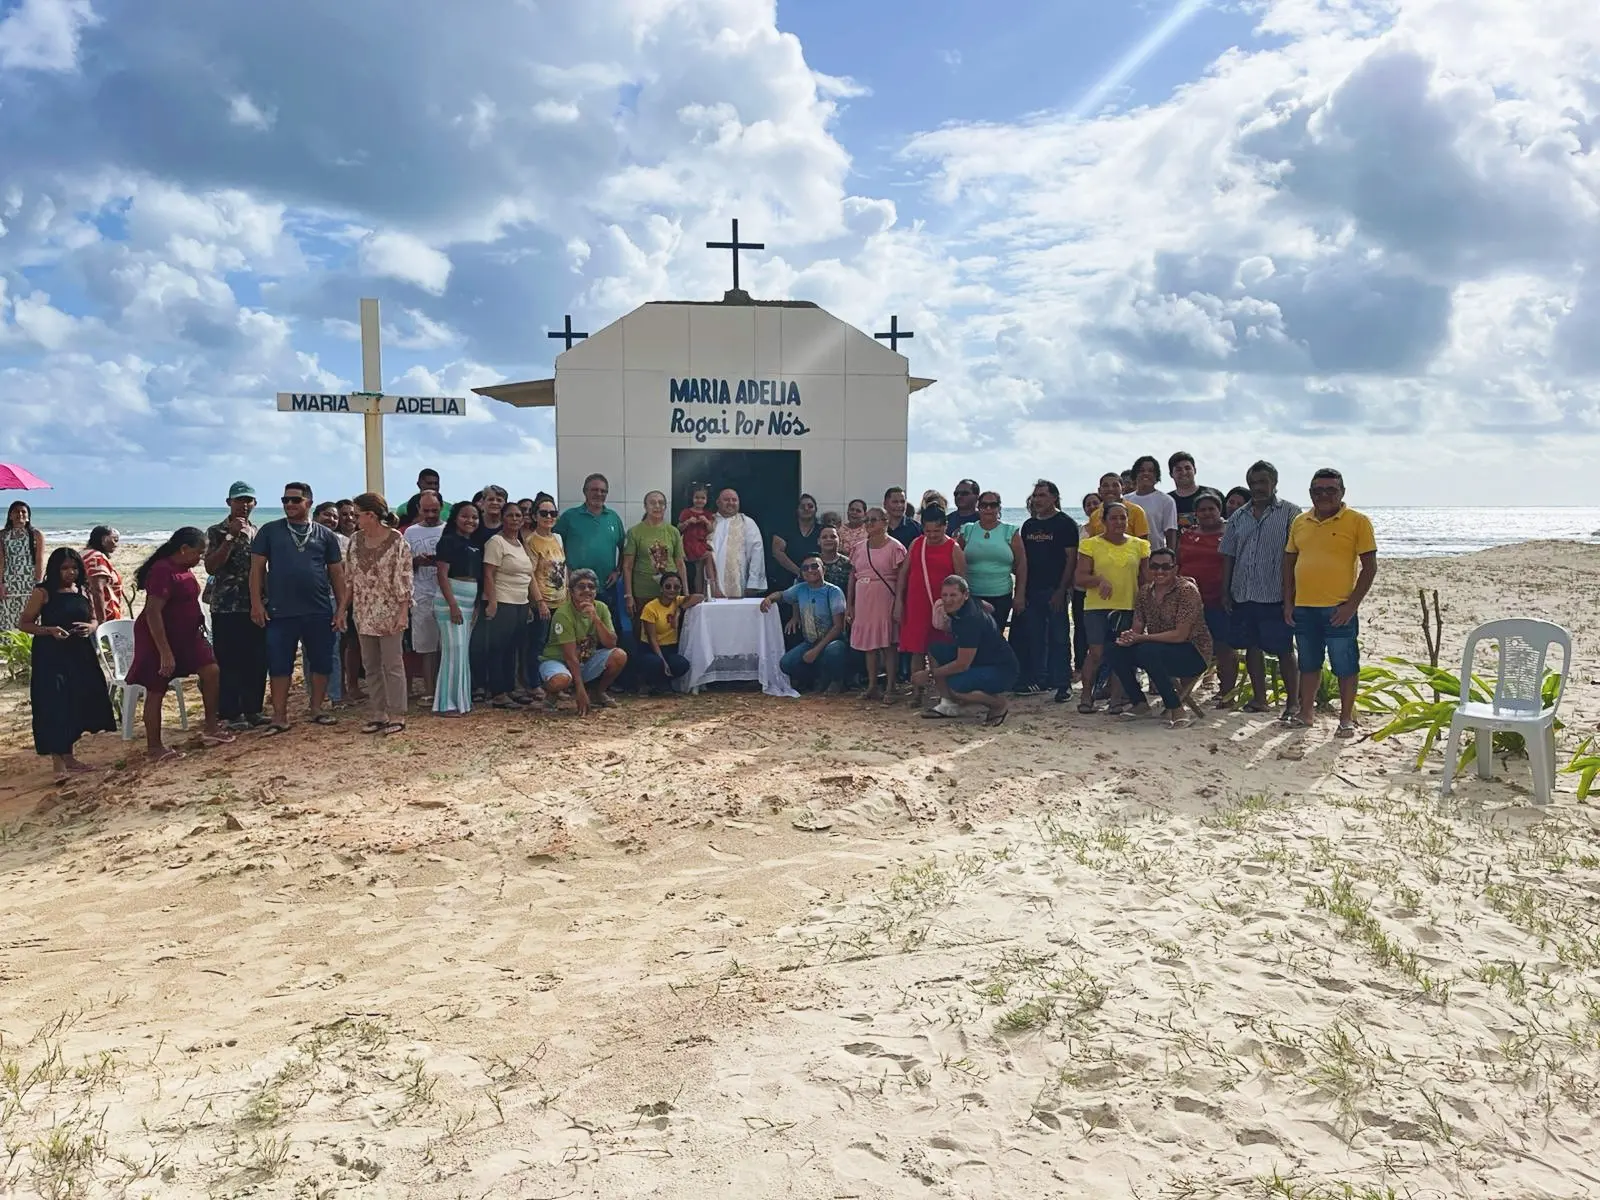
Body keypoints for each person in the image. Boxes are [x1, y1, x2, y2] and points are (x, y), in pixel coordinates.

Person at [1284, 469, 1378, 738]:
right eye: (1317, 490)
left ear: (1342, 492)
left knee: (1345, 666)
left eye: (1330, 490)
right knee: (1309, 664)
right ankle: (1306, 714)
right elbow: (1289, 562)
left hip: (1339, 609)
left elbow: (1369, 568)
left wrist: (1351, 606)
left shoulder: (1358, 521)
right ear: (1310, 493)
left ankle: (1346, 719)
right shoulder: (1300, 522)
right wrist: (1288, 603)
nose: (1323, 495)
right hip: (1304, 607)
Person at [249, 481, 348, 735]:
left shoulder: (325, 535)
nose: (289, 505)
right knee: (280, 664)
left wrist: (340, 609)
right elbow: (257, 570)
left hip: (318, 609)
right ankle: (280, 716)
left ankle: (317, 709)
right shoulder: (270, 531)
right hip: (281, 611)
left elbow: (337, 574)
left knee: (322, 661)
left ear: (309, 503)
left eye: (295, 500)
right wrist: (257, 604)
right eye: (285, 500)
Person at [125, 528, 232, 760]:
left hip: (188, 635)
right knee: (157, 688)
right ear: (183, 549)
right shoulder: (162, 570)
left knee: (211, 670)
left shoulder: (184, 569)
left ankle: (211, 726)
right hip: (159, 637)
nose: (200, 558)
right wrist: (165, 652)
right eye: (198, 553)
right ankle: (154, 747)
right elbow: (153, 612)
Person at [19, 548, 116, 779]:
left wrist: (91, 627)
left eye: (73, 568)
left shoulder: (82, 589)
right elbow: (25, 623)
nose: (70, 573)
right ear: (55, 569)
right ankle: (58, 764)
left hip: (79, 653)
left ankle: (70, 757)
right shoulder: (43, 593)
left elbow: (95, 618)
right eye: (64, 568)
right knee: (54, 704)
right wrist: (49, 630)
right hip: (50, 655)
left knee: (77, 702)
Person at [1220, 460, 1301, 721]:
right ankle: (1259, 699)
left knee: (1284, 649)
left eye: (1263, 482)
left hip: (1275, 593)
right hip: (1243, 592)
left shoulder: (1290, 513)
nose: (1258, 488)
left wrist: (1292, 595)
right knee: (1251, 647)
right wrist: (1225, 591)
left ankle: (1293, 702)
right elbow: (1229, 555)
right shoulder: (1238, 516)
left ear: (1274, 483)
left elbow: (1297, 555)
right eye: (1253, 483)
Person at [1110, 547, 1213, 725]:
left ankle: (1177, 710)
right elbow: (1138, 628)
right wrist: (1128, 638)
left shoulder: (1186, 591)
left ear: (1175, 569)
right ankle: (1139, 703)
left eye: (1166, 567)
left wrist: (1141, 639)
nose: (1160, 571)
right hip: (1159, 649)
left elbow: (1180, 636)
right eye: (1155, 567)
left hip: (1193, 653)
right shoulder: (1144, 592)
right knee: (1115, 650)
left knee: (1148, 651)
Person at [344, 494, 414, 735]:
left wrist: (403, 612)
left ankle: (397, 713)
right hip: (363, 611)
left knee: (392, 663)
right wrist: (342, 609)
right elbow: (350, 580)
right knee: (371, 664)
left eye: (357, 514)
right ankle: (378, 712)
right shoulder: (355, 541)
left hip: (390, 610)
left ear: (370, 515)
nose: (354, 518)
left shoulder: (397, 541)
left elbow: (405, 579)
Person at [1075, 502, 1151, 714]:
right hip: (1096, 606)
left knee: (1121, 653)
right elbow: (1079, 578)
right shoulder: (1090, 545)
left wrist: (1147, 605)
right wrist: (1099, 580)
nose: (1119, 522)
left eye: (1122, 518)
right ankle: (1086, 695)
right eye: (1114, 518)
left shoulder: (1140, 545)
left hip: (1128, 606)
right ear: (1103, 521)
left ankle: (1117, 698)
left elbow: (1145, 578)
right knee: (1096, 653)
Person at [205, 482, 267, 730]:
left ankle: (253, 709)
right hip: (226, 606)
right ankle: (231, 712)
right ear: (229, 502)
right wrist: (230, 536)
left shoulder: (258, 532)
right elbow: (211, 566)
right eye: (239, 500)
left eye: (248, 500)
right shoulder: (216, 531)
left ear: (255, 504)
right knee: (230, 661)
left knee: (257, 660)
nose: (244, 505)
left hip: (255, 604)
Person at [915, 576, 1017, 726]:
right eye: (945, 595)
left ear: (965, 595)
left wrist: (929, 674)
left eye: (953, 595)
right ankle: (948, 704)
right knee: (935, 649)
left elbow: (962, 664)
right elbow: (989, 607)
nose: (948, 600)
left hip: (1002, 669)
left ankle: (998, 704)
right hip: (982, 658)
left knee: (957, 686)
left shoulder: (969, 620)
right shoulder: (968, 604)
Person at [1012, 480, 1078, 701]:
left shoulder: (1066, 524)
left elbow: (1071, 560)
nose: (1037, 500)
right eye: (1035, 496)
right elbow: (1023, 561)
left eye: (1042, 495)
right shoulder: (1029, 526)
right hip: (1032, 590)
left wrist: (1062, 590)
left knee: (1059, 637)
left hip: (1055, 589)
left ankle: (1063, 684)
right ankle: (1040, 679)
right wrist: (1020, 591)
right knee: (1036, 637)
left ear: (1054, 497)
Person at [895, 506, 966, 708]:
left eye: (937, 531)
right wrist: (899, 601)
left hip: (943, 608)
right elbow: (904, 574)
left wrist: (957, 609)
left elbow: (962, 581)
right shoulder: (917, 544)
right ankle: (917, 692)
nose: (933, 535)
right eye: (928, 531)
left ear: (945, 527)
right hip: (917, 604)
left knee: (938, 651)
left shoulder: (954, 548)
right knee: (916, 650)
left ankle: (943, 693)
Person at [1179, 491, 1238, 704]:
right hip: (1189, 600)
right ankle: (1186, 693)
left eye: (1211, 508)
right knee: (1188, 645)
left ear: (1219, 510)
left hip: (1219, 599)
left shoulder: (1231, 533)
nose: (1207, 513)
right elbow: (1178, 563)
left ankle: (1227, 692)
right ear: (1196, 513)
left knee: (1223, 647)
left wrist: (1228, 594)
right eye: (1202, 509)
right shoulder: (1186, 534)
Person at [540, 568, 626, 714]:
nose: (587, 590)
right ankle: (550, 696)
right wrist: (580, 690)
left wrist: (596, 619)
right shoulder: (563, 614)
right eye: (581, 587)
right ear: (571, 592)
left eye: (591, 587)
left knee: (619, 655)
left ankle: (598, 693)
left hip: (584, 660)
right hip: (559, 660)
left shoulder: (601, 608)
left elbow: (611, 643)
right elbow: (570, 656)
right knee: (561, 679)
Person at [765, 556, 851, 693]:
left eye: (814, 566)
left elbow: (838, 627)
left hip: (832, 641)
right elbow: (781, 595)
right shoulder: (800, 589)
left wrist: (815, 651)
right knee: (786, 664)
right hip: (810, 642)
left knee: (834, 651)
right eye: (805, 568)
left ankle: (837, 681)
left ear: (824, 569)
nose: (810, 570)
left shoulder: (834, 592)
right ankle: (817, 679)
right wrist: (769, 599)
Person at [846, 507, 905, 701]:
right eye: (867, 520)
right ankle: (872, 685)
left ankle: (891, 686)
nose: (869, 524)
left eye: (874, 520)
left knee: (888, 644)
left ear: (885, 521)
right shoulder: (859, 547)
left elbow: (902, 578)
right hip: (864, 599)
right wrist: (850, 603)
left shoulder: (895, 547)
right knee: (869, 645)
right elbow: (853, 577)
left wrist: (899, 603)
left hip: (885, 598)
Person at [481, 502, 536, 709]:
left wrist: (531, 603)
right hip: (503, 601)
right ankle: (498, 692)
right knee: (499, 649)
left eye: (518, 515)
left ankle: (511, 688)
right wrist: (492, 602)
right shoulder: (496, 542)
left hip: (521, 603)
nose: (515, 519)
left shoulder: (520, 543)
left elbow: (528, 575)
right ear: (503, 518)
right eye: (511, 515)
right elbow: (488, 573)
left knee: (514, 649)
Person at [431, 501, 482, 717]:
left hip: (470, 602)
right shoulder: (447, 541)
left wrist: (477, 605)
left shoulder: (476, 544)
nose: (470, 521)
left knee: (462, 652)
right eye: (465, 516)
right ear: (455, 518)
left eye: (474, 517)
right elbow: (442, 574)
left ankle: (461, 701)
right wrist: (453, 604)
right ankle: (445, 703)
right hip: (451, 599)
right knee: (453, 651)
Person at [403, 491, 445, 704]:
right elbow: (401, 564)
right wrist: (415, 562)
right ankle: (430, 690)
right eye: (425, 510)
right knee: (427, 648)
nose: (430, 514)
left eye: (434, 510)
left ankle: (444, 689)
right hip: (421, 595)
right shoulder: (410, 532)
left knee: (446, 646)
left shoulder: (448, 529)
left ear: (441, 507)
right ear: (418, 509)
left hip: (446, 595)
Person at [957, 492, 1021, 631]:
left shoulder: (1010, 531)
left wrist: (1019, 595)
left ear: (999, 508)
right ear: (978, 507)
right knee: (971, 637)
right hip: (971, 595)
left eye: (993, 505)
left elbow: (1022, 565)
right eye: (984, 505)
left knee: (994, 638)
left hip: (1001, 595)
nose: (988, 509)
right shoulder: (968, 530)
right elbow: (955, 559)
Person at [623, 490, 686, 620]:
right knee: (643, 633)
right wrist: (628, 595)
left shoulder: (673, 531)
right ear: (645, 507)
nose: (657, 506)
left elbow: (680, 563)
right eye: (652, 503)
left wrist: (685, 592)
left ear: (665, 507)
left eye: (661, 503)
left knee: (669, 633)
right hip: (643, 591)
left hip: (670, 592)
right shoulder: (634, 532)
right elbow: (627, 566)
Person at [526, 497, 567, 685]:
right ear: (535, 516)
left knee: (556, 643)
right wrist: (539, 602)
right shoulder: (531, 541)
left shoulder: (557, 538)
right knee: (537, 644)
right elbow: (530, 574)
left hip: (560, 600)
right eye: (544, 513)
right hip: (543, 602)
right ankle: (535, 684)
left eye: (553, 513)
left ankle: (556, 680)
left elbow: (563, 567)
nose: (549, 517)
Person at [638, 571, 700, 693]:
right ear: (661, 588)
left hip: (670, 647)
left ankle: (664, 682)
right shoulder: (650, 608)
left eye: (676, 587)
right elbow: (652, 638)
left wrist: (679, 611)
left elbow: (700, 597)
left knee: (682, 664)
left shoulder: (678, 601)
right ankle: (653, 683)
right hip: (651, 648)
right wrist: (663, 661)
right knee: (656, 663)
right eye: (668, 586)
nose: (672, 590)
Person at [707, 489, 766, 598]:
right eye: (726, 500)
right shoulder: (708, 521)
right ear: (718, 502)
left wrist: (753, 583)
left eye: (734, 500)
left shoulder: (747, 522)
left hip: (738, 583)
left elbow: (756, 553)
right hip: (710, 581)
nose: (730, 503)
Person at [0, 500, 44, 631]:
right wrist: (1, 584)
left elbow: (39, 561)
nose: (20, 514)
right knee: (7, 616)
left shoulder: (36, 535)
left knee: (29, 617)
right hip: (9, 582)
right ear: (10, 515)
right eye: (16, 511)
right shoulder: (2, 535)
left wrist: (39, 584)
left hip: (29, 582)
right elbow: (1, 561)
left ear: (28, 515)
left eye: (23, 511)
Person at [1127, 455, 1179, 552]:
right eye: (1141, 470)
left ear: (1156, 476)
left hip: (1155, 555)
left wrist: (1170, 557)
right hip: (1129, 555)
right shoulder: (1125, 500)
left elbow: (1170, 531)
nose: (1146, 473)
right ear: (1135, 474)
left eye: (1151, 471)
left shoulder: (1166, 500)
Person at [770, 494, 821, 591]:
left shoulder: (822, 530)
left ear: (816, 509)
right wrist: (800, 572)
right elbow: (777, 552)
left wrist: (810, 573)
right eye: (802, 506)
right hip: (787, 581)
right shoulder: (784, 528)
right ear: (797, 509)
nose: (806, 509)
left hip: (815, 581)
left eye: (810, 506)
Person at [79, 527, 125, 625]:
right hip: (100, 615)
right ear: (104, 539)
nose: (116, 544)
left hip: (84, 610)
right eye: (115, 540)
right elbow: (97, 590)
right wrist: (102, 621)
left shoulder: (82, 554)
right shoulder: (97, 558)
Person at [1084, 474, 1151, 541]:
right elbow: (1093, 544)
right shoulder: (1094, 516)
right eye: (1106, 486)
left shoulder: (1136, 511)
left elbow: (1143, 545)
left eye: (1115, 485)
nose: (1110, 489)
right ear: (1099, 490)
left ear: (1122, 489)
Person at [677, 482, 715, 594]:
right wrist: (687, 522)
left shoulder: (708, 514)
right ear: (692, 498)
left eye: (703, 498)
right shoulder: (686, 512)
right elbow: (678, 528)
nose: (700, 500)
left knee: (699, 572)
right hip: (690, 543)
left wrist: (706, 521)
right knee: (708, 556)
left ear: (707, 499)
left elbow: (711, 529)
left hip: (701, 543)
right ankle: (712, 583)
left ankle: (700, 592)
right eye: (697, 498)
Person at [1169, 452, 1203, 532]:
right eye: (1178, 469)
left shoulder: (1213, 495)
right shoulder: (1166, 501)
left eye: (1187, 468)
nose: (1184, 472)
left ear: (1195, 470)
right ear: (1171, 474)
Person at [817, 525, 852, 593]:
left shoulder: (849, 564)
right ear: (818, 541)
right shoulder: (811, 563)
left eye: (833, 537)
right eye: (824, 537)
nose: (829, 539)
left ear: (840, 541)